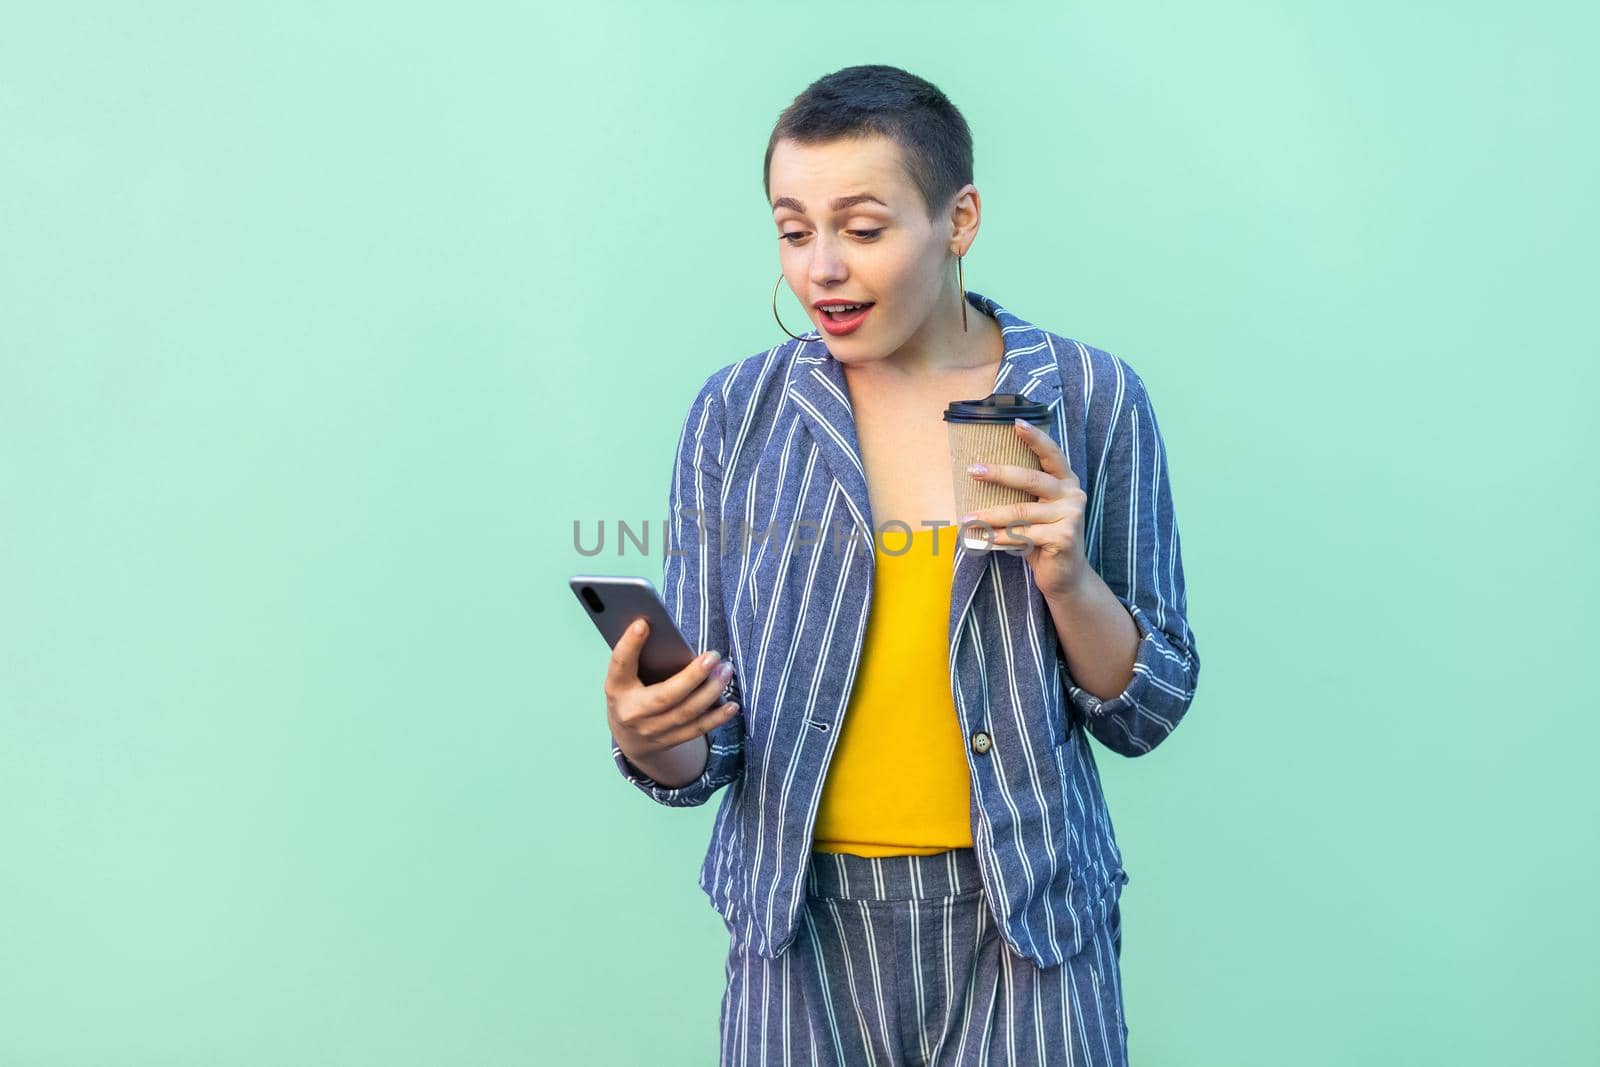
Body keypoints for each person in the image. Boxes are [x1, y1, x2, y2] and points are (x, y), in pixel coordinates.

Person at [602, 64, 1200, 1066]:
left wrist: (1067, 580)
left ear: (957, 220)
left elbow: (1148, 708)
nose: (821, 267)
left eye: (863, 228)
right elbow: (707, 748)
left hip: (1028, 918)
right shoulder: (736, 416)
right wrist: (648, 730)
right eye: (794, 230)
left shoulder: (1088, 397)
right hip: (797, 928)